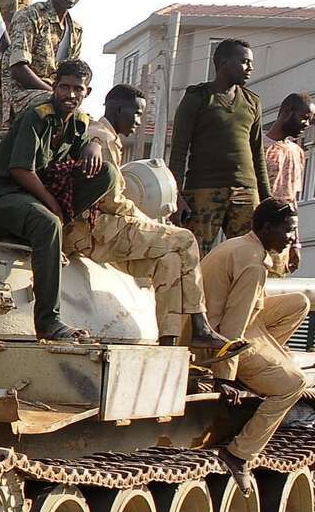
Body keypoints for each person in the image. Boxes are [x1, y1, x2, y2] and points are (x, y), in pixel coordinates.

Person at [69, 84, 246, 357]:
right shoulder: (100, 138)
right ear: (117, 109)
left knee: (170, 262)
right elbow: (111, 201)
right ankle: (200, 327)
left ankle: (169, 342)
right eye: (136, 113)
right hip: (98, 229)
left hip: (102, 231)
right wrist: (149, 221)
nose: (139, 122)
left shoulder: (104, 138)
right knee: (185, 239)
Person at [0, 58, 99, 341]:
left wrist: (94, 144)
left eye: (78, 89)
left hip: (32, 202)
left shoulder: (78, 123)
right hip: (1, 200)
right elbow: (20, 169)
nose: (71, 94)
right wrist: (53, 206)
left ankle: (50, 230)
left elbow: (80, 155)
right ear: (54, 88)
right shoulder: (37, 115)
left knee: (107, 174)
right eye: (64, 87)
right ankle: (48, 322)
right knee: (48, 222)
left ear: (87, 92)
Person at [199, 198, 309, 486]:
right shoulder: (253, 263)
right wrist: (224, 377)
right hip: (216, 339)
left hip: (228, 324)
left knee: (299, 303)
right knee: (294, 384)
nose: (291, 238)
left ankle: (262, 369)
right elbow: (234, 323)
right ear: (267, 227)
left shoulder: (241, 245)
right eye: (287, 231)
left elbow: (247, 312)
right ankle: (240, 453)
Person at [169, 38, 268, 253]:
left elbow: (257, 153)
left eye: (250, 62)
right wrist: (175, 196)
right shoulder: (198, 97)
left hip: (245, 192)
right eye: (244, 61)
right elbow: (178, 150)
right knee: (193, 257)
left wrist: (266, 199)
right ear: (223, 62)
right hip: (203, 190)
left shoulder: (252, 102)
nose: (250, 68)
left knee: (249, 256)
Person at [1, 0, 85, 122]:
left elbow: (72, 75)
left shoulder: (75, 30)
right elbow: (18, 69)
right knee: (56, 106)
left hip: (56, 95)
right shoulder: (30, 16)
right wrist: (56, 93)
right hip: (21, 95)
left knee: (84, 119)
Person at [260, 92, 314, 271]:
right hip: (257, 229)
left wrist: (295, 243)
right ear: (287, 112)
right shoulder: (259, 145)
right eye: (304, 118)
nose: (307, 124)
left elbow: (293, 199)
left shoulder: (297, 152)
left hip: (282, 233)